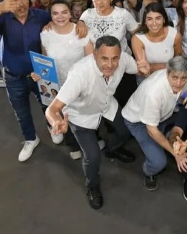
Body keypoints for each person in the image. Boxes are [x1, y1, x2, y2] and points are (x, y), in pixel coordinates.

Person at [0, 0, 87, 162]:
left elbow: (62, 19)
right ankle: (30, 139)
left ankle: (52, 126)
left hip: (41, 74)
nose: (20, 3)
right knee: (21, 111)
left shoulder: (40, 15)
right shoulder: (3, 18)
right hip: (13, 75)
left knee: (48, 103)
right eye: (14, 0)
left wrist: (81, 23)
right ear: (6, 2)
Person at [44, 36, 141, 210]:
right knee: (93, 156)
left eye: (114, 58)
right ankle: (92, 186)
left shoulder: (124, 59)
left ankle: (112, 149)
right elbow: (51, 109)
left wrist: (147, 68)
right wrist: (56, 121)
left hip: (107, 105)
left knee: (125, 130)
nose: (110, 64)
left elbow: (139, 68)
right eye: (104, 58)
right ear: (95, 54)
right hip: (81, 116)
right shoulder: (79, 74)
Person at [122, 56, 187, 191]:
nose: (179, 83)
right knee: (159, 163)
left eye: (183, 78)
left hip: (164, 115)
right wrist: (175, 153)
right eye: (174, 77)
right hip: (139, 122)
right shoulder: (154, 93)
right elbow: (152, 130)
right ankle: (148, 172)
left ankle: (168, 135)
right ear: (167, 72)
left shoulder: (186, 78)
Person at [37, 1, 94, 160]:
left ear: (70, 13)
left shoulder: (81, 31)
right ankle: (73, 144)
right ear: (50, 16)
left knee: (85, 114)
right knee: (66, 115)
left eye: (64, 12)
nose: (60, 16)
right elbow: (45, 61)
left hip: (82, 83)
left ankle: (91, 141)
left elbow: (91, 61)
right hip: (60, 85)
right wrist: (41, 76)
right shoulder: (45, 34)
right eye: (55, 13)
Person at [131, 3, 183, 83]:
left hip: (170, 77)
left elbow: (178, 59)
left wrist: (153, 66)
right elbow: (144, 69)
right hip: (147, 79)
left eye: (158, 18)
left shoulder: (175, 35)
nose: (154, 23)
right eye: (150, 19)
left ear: (164, 19)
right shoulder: (137, 38)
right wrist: (169, 66)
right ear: (145, 21)